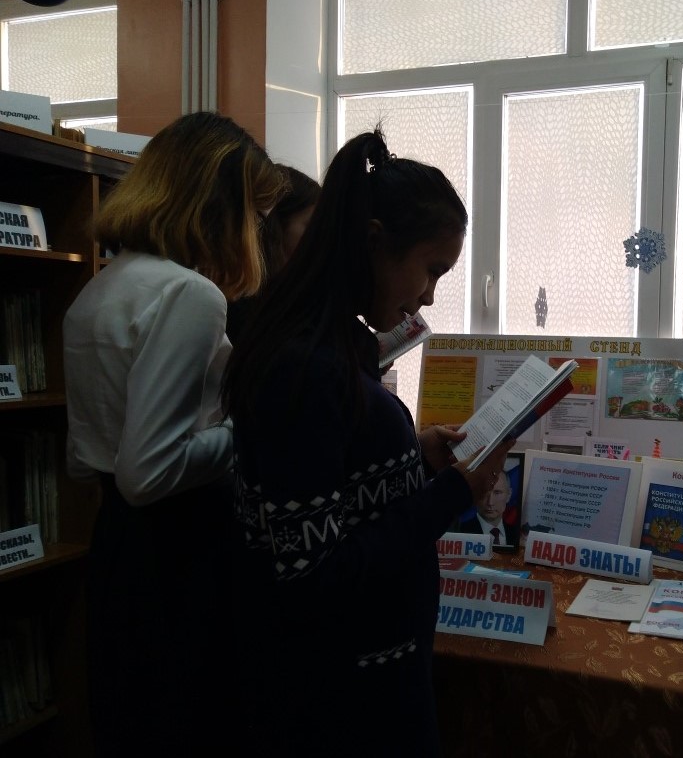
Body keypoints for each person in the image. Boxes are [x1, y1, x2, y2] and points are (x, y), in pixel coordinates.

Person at [221, 126, 514, 757]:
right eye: (431, 270)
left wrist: (415, 457)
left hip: (371, 680)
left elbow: (343, 485)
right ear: (376, 243)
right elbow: (312, 575)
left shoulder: (334, 344)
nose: (428, 296)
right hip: (340, 704)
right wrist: (451, 493)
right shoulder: (303, 366)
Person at [62, 111, 285, 756]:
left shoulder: (100, 288)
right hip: (179, 550)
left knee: (132, 723)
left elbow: (87, 460)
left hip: (118, 549)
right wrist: (249, 431)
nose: (257, 234)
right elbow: (149, 473)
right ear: (219, 206)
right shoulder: (190, 294)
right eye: (254, 215)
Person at [226, 163, 320, 342]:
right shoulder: (238, 305)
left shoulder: (298, 297)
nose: (320, 238)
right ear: (275, 225)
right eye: (311, 227)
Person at [459, 467, 520, 547]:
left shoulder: (517, 534)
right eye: (484, 492)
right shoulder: (460, 532)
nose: (490, 503)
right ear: (475, 495)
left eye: (497, 493)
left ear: (509, 495)